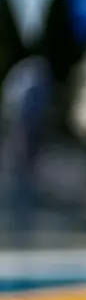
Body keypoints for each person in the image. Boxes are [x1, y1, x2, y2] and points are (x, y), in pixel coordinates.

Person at [1, 57, 53, 243]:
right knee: (19, 177)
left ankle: (22, 221)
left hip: (24, 134)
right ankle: (19, 220)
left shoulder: (27, 79)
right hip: (22, 132)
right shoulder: (31, 79)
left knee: (23, 178)